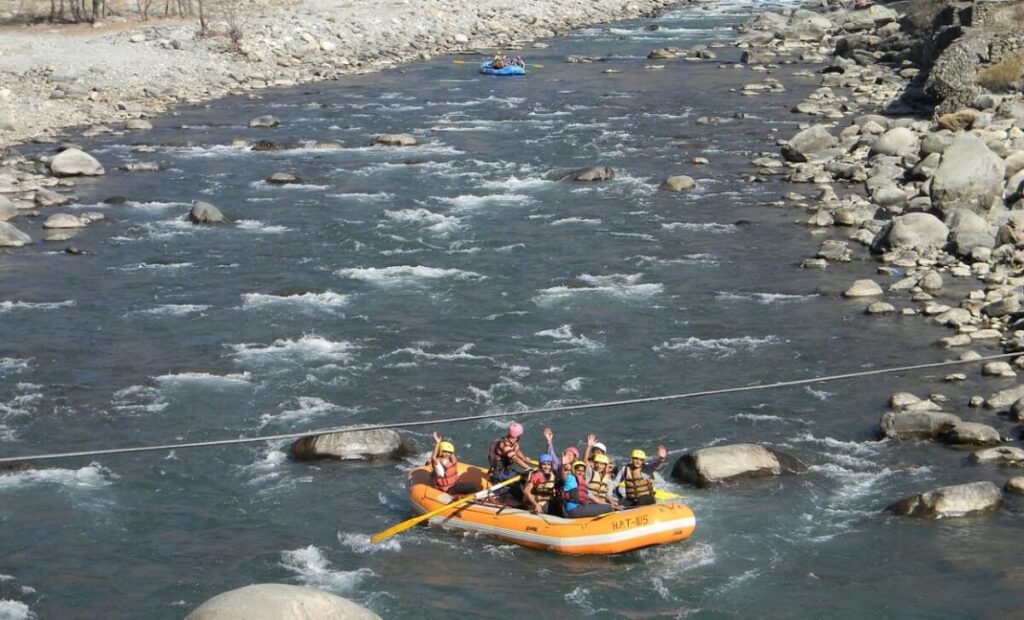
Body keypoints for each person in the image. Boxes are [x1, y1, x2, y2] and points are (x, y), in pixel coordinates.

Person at [488, 422, 532, 500]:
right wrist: (529, 468)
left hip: (506, 470)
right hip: (498, 473)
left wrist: (524, 458)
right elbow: (515, 458)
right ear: (518, 435)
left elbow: (517, 450)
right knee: (522, 482)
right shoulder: (504, 445)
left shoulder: (512, 441)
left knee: (523, 478)